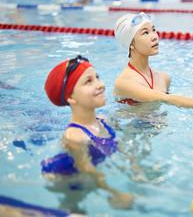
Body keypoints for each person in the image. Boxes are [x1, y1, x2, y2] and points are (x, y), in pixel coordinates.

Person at [43, 55, 134, 211]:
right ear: (71, 97)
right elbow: (89, 171)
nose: (100, 85)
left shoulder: (103, 120)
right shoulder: (75, 136)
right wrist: (114, 192)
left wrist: (133, 166)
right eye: (88, 81)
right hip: (69, 179)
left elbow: (119, 147)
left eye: (97, 77)